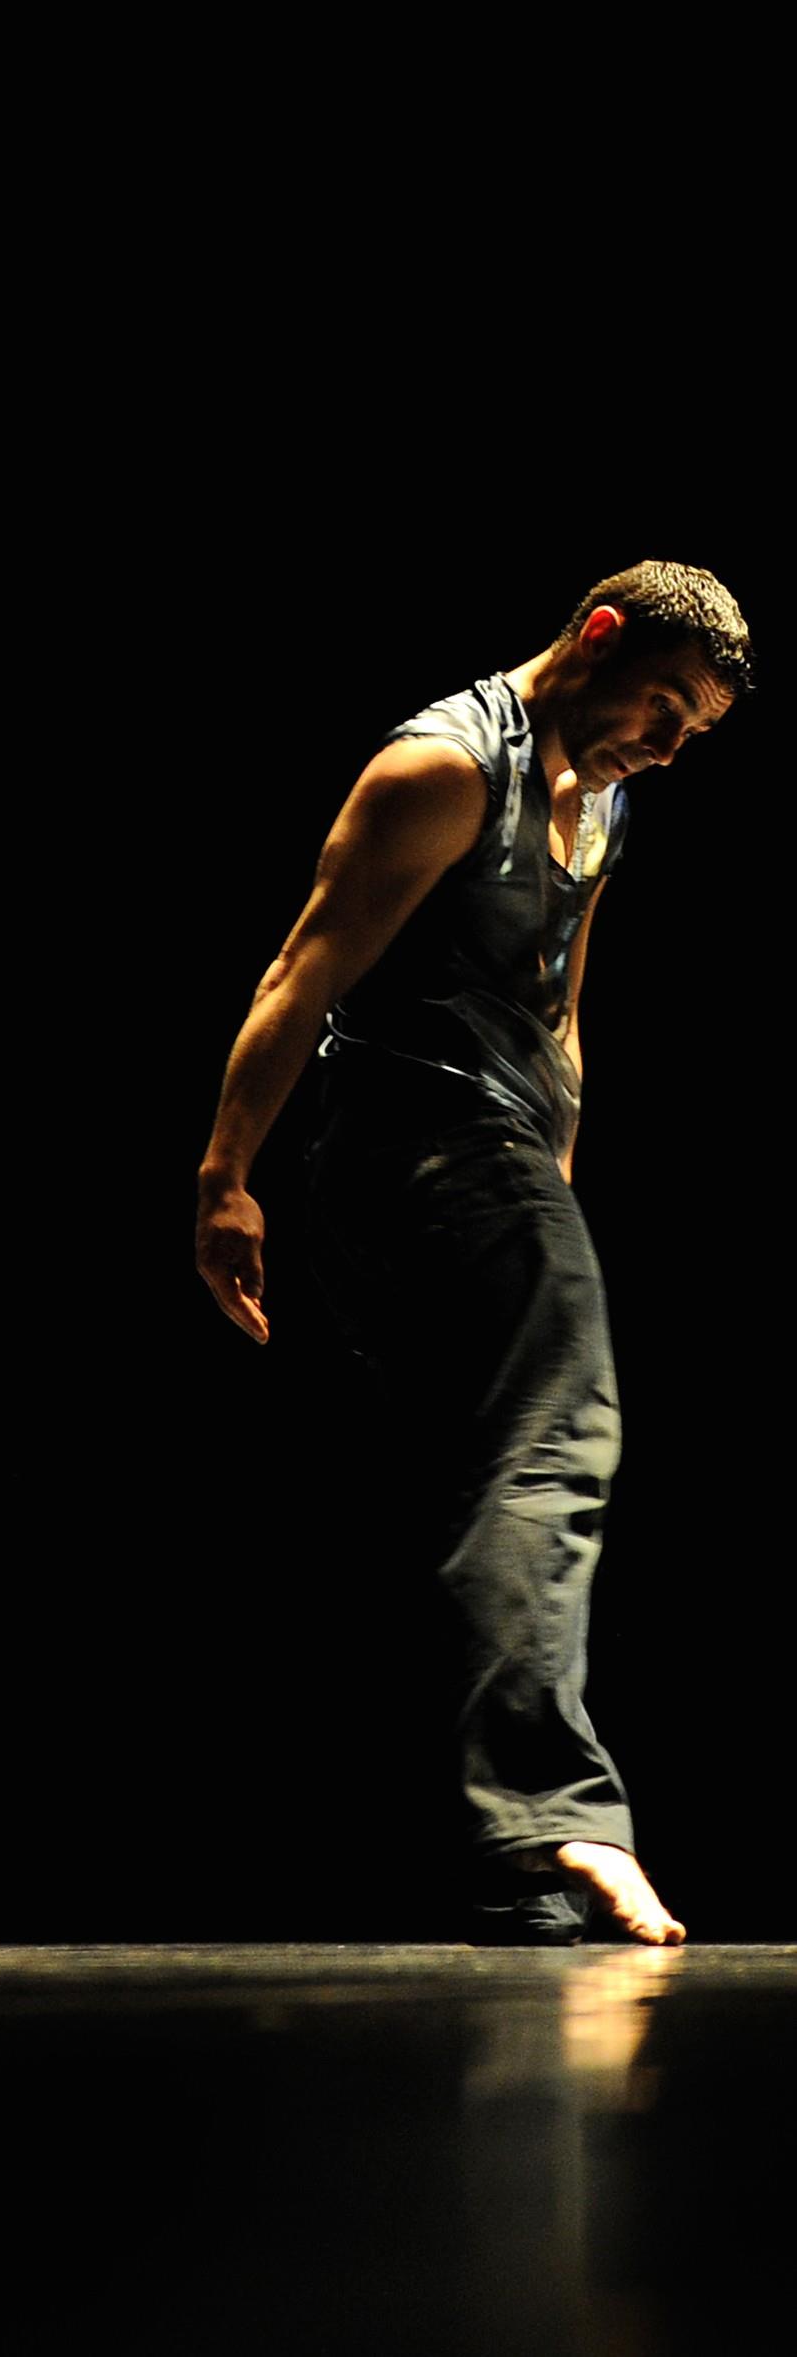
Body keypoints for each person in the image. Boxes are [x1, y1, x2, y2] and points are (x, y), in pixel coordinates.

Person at [194, 563, 753, 1945]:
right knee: (561, 1441)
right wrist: (225, 1178)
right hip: (412, 1144)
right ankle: (558, 1811)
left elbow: (558, 1002)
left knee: (464, 1488)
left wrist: (557, 1173)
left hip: (497, 1161)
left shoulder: (603, 803)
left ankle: (499, 1869)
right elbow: (304, 971)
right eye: (664, 708)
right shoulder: (444, 769)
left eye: (694, 732)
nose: (669, 748)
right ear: (598, 637)